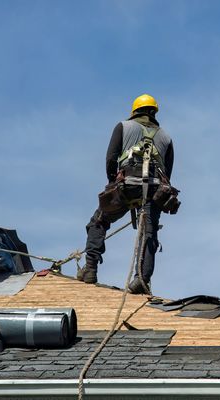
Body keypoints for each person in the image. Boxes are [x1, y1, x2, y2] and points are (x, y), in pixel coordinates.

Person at [78, 94, 175, 294]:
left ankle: (90, 269)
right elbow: (168, 173)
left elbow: (111, 158)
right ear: (154, 112)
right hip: (154, 191)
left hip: (127, 186)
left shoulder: (123, 126)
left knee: (99, 221)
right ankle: (141, 279)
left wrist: (112, 183)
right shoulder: (166, 137)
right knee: (148, 232)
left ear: (134, 111)